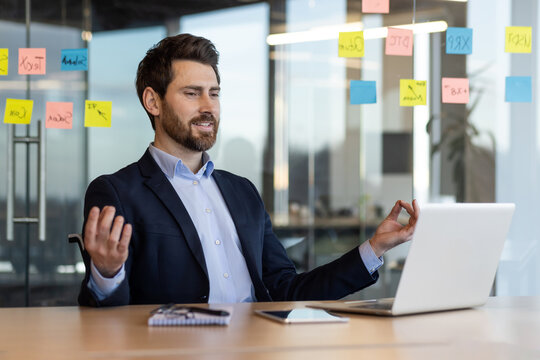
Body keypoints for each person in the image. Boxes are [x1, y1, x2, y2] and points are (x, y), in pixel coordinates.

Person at [78, 33, 419, 307]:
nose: (208, 106)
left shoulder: (242, 192)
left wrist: (374, 249)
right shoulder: (117, 192)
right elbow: (107, 321)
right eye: (192, 93)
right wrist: (106, 274)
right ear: (153, 101)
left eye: (214, 93)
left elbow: (286, 291)